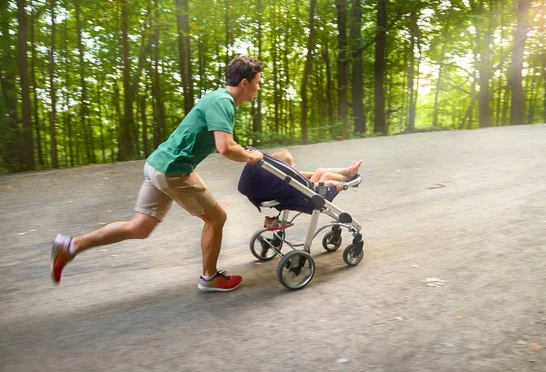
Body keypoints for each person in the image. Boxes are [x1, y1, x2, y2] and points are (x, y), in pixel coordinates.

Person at [50, 55, 264, 292]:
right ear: (244, 83)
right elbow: (226, 147)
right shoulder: (223, 101)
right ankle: (210, 277)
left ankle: (70, 245)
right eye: (257, 81)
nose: (259, 87)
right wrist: (251, 156)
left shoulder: (217, 98)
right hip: (174, 170)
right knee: (217, 218)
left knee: (139, 227)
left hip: (157, 165)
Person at [271, 149, 362, 191]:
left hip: (307, 189)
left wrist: (316, 174)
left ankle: (348, 171)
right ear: (285, 168)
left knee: (320, 171)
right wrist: (331, 182)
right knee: (327, 175)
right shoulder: (287, 180)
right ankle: (349, 178)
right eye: (292, 164)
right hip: (308, 194)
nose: (295, 165)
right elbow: (313, 185)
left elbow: (301, 174)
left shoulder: (283, 175)